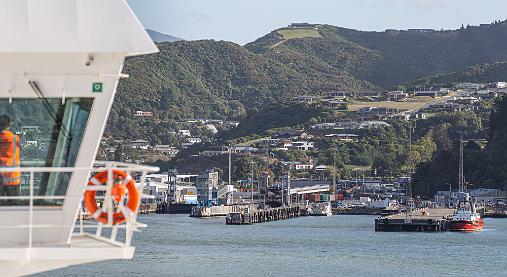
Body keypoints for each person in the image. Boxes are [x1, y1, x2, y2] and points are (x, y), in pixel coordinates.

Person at [0, 115, 21, 205]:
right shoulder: (15, 138)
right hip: (12, 177)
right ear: (9, 125)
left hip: (0, 176)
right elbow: (18, 151)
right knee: (13, 205)